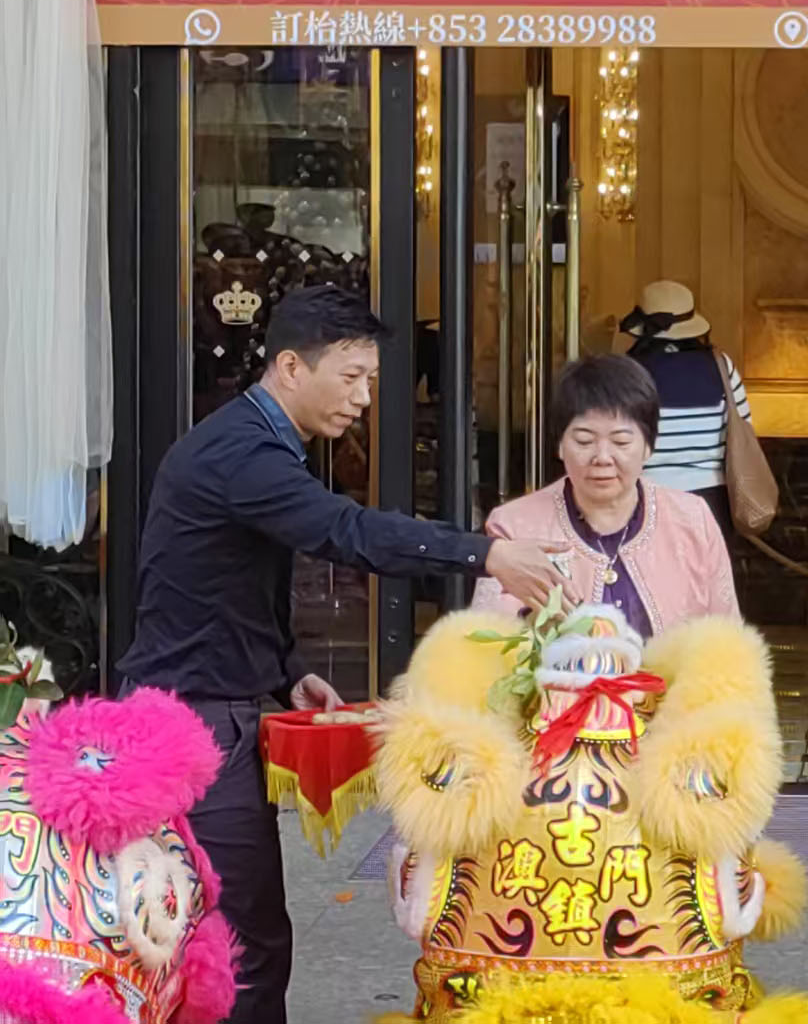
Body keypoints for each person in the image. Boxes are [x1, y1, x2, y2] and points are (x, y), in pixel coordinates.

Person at [117, 283, 563, 1024]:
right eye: (351, 376)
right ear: (291, 367)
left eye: (371, 379)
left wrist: (286, 673)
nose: (363, 397)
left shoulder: (250, 440)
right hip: (192, 725)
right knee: (242, 941)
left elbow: (219, 589)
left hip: (203, 706)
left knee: (209, 929)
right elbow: (346, 531)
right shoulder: (244, 453)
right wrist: (487, 554)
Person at [472, 353, 739, 628]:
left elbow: (728, 638)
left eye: (620, 442)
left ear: (648, 447)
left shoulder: (693, 519)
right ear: (560, 446)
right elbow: (488, 640)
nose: (602, 457)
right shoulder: (514, 526)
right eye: (584, 441)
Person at [620, 280, 752, 544]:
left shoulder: (624, 373)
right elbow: (744, 431)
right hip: (711, 500)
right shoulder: (722, 366)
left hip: (644, 496)